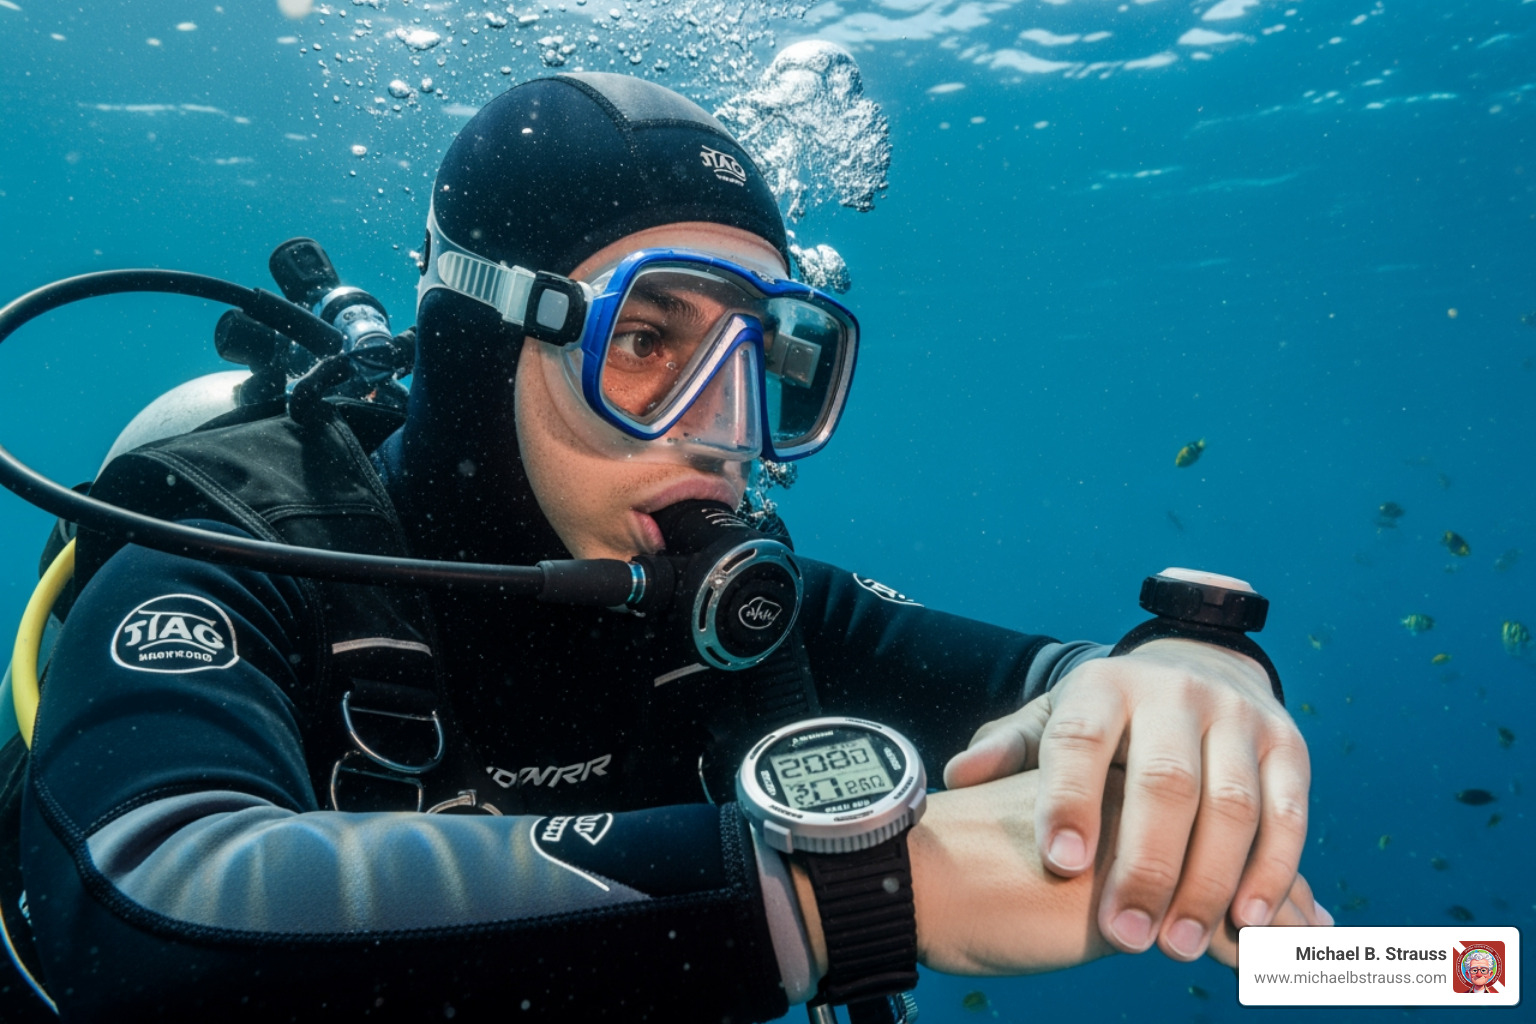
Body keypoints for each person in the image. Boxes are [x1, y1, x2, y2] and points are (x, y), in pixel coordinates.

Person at [10, 72, 1323, 1021]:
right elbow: (145, 907)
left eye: (768, 366)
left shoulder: (725, 607)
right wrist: (858, 891)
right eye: (648, 344)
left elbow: (1058, 685)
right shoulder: (239, 547)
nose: (726, 439)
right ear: (480, 349)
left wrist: (1187, 681)